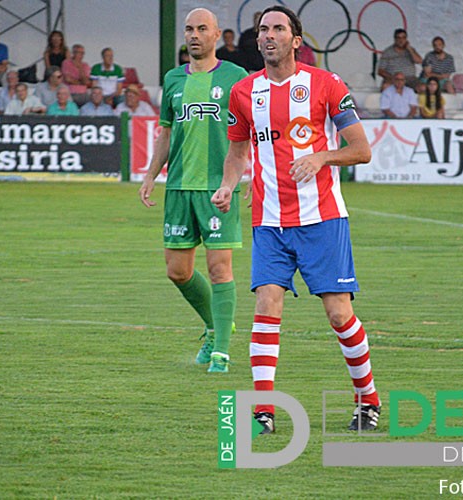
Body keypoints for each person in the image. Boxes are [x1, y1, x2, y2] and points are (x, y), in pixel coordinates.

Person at [212, 5, 382, 433]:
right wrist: (229, 185)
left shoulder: (326, 85)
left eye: (277, 29)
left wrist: (322, 155)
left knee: (339, 315)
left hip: (322, 220)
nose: (268, 36)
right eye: (262, 29)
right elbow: (237, 152)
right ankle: (263, 412)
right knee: (266, 303)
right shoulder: (244, 92)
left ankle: (369, 400)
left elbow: (362, 149)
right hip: (269, 220)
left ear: (296, 39)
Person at [138, 8, 248, 374]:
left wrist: (250, 177)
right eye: (189, 29)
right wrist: (152, 174)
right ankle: (216, 323)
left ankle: (221, 350)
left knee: (219, 268)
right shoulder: (172, 79)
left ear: (217, 35)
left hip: (219, 189)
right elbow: (166, 133)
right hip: (180, 188)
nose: (194, 35)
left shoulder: (236, 77)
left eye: (203, 28)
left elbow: (251, 130)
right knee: (177, 271)